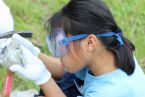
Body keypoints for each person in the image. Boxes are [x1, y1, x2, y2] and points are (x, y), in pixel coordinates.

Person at [7, 0, 145, 97]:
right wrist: (35, 54)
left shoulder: (108, 92)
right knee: (67, 80)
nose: (58, 55)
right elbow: (65, 69)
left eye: (62, 45)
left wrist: (43, 78)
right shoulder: (108, 52)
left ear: (90, 42)